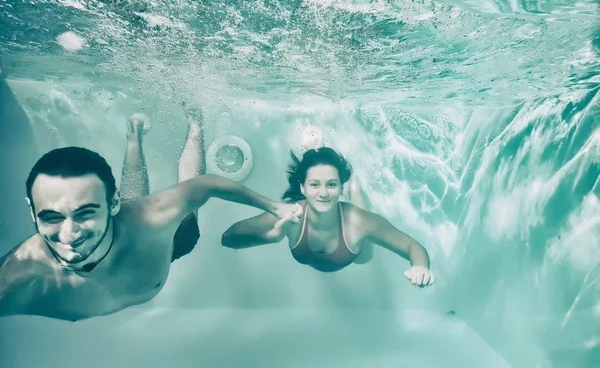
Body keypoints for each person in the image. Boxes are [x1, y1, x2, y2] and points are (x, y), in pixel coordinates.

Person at [0, 112, 301, 321]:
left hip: (163, 241)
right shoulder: (23, 268)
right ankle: (137, 138)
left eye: (85, 213)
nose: (69, 234)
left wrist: (273, 206)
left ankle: (179, 130)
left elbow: (204, 185)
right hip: (140, 239)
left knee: (159, 206)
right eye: (51, 217)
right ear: (32, 211)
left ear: (110, 204)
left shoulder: (153, 219)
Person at [221, 127, 435, 287]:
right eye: (315, 185)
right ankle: (314, 153)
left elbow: (412, 247)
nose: (323, 193)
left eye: (332, 185)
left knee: (361, 234)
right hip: (319, 225)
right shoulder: (290, 214)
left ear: (340, 187)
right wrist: (271, 236)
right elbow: (228, 238)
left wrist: (420, 267)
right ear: (302, 188)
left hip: (356, 254)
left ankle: (355, 187)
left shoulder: (359, 222)